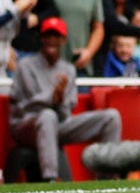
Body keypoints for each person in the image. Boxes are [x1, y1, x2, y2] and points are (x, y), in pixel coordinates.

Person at [8, 18, 123, 181]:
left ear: (63, 40)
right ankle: (51, 178)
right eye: (48, 36)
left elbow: (66, 112)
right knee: (48, 116)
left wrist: (60, 99)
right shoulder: (26, 66)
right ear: (41, 38)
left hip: (58, 123)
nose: (52, 41)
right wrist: (52, 97)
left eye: (57, 37)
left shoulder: (68, 69)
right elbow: (25, 107)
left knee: (111, 117)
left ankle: (107, 175)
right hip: (26, 125)